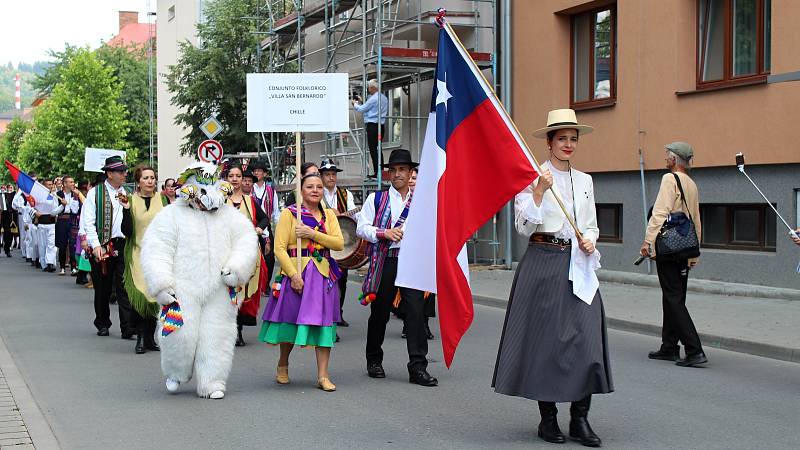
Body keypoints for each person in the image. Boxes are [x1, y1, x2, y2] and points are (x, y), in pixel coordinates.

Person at [493, 109, 613, 447]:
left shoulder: (585, 181)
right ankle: (548, 419)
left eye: (573, 139)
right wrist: (538, 193)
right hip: (543, 263)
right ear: (549, 142)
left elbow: (590, 222)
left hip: (578, 263)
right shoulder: (533, 177)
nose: (569, 144)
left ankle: (580, 418)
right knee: (545, 343)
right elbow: (522, 227)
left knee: (587, 340)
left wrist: (591, 238)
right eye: (562, 138)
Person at [141, 162, 258, 399]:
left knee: (218, 334)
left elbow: (246, 240)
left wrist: (237, 268)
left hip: (220, 287)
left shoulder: (229, 216)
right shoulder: (172, 215)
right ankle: (176, 371)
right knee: (180, 333)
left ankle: (213, 381)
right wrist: (162, 283)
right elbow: (157, 248)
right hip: (182, 285)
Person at [357, 148, 437, 387]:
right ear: (389, 174)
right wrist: (384, 233)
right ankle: (374, 359)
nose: (398, 174)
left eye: (403, 169)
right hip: (387, 260)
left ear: (412, 172)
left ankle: (418, 367)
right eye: (394, 170)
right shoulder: (376, 199)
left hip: (412, 261)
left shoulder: (422, 200)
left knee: (415, 313)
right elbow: (362, 227)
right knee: (380, 312)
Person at [259, 171, 344, 392]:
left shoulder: (329, 215)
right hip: (297, 273)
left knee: (325, 324)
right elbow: (279, 248)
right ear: (301, 190)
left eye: (318, 186)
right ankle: (283, 364)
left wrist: (311, 233)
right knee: (290, 321)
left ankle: (323, 375)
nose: (315, 190)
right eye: (309, 186)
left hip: (323, 276)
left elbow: (338, 243)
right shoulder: (290, 213)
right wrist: (293, 275)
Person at [640, 142, 706, 368]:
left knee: (672, 297)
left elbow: (660, 212)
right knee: (675, 296)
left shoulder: (669, 179)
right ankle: (669, 347)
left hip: (669, 247)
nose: (665, 159)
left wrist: (648, 241)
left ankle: (694, 350)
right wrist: (695, 252)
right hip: (685, 246)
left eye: (667, 156)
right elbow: (696, 218)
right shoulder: (691, 183)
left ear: (674, 159)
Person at [81, 156, 135, 338]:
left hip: (123, 244)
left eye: (124, 171)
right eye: (120, 171)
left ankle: (127, 327)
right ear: (109, 174)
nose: (124, 174)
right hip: (103, 245)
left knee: (124, 287)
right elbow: (88, 222)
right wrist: (95, 245)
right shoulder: (94, 193)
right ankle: (102, 322)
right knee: (103, 288)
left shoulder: (129, 192)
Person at [121, 166, 166, 354]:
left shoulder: (162, 200)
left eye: (153, 178)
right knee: (140, 294)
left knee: (155, 295)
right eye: (146, 178)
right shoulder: (131, 200)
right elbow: (127, 231)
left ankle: (150, 337)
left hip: (159, 254)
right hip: (137, 253)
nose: (150, 181)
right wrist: (125, 211)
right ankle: (140, 337)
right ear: (138, 181)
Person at [227, 166, 270, 347]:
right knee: (228, 291)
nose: (235, 179)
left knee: (243, 290)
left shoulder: (250, 200)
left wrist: (259, 229)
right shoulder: (220, 200)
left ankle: (238, 331)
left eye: (238, 176)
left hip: (247, 253)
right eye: (231, 176)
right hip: (226, 253)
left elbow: (264, 218)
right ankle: (226, 330)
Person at [397, 167, 436, 340]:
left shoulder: (428, 201)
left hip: (424, 252)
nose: (412, 180)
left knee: (427, 293)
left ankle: (425, 324)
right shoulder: (401, 201)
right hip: (405, 252)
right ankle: (408, 324)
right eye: (410, 178)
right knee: (408, 293)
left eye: (415, 178)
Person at [319, 159, 356, 328]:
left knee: (342, 278)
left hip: (342, 243)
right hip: (321, 241)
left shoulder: (346, 194)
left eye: (333, 174)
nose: (331, 178)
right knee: (324, 279)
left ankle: (338, 312)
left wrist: (343, 215)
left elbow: (354, 216)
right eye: (327, 174)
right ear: (321, 176)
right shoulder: (316, 193)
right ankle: (325, 314)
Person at [249, 159, 280, 289]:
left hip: (267, 228)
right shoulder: (250, 190)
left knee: (270, 258)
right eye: (255, 171)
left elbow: (276, 213)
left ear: (265, 174)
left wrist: (278, 231)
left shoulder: (271, 191)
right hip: (252, 228)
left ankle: (265, 284)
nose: (257, 173)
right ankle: (253, 284)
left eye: (259, 171)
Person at [352, 79, 389, 178]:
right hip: (381, 126)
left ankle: (377, 173)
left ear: (373, 88)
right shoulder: (384, 98)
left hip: (372, 126)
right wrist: (362, 101)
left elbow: (362, 109)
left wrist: (355, 103)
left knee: (373, 149)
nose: (368, 89)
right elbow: (370, 107)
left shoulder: (373, 99)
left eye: (369, 87)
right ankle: (380, 171)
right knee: (378, 149)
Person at [55, 176, 81, 275]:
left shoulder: (75, 195)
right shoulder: (58, 195)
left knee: (72, 244)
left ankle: (73, 267)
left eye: (73, 182)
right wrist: (62, 205)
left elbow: (75, 210)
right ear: (64, 184)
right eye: (70, 182)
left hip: (72, 220)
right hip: (61, 220)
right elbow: (53, 212)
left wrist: (75, 198)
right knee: (62, 244)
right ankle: (62, 267)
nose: (73, 184)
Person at [34, 179, 60, 272]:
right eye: (48, 184)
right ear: (43, 186)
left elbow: (55, 208)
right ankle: (44, 264)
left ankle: (50, 263)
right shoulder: (37, 196)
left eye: (51, 184)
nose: (49, 186)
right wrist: (35, 212)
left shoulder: (53, 195)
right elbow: (31, 206)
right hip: (41, 224)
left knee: (51, 244)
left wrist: (53, 195)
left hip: (51, 223)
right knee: (42, 245)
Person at [0, 185, 15, 257]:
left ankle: (7, 249)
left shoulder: (9, 195)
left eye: (4, 188)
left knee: (8, 233)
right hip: (1, 214)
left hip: (6, 215)